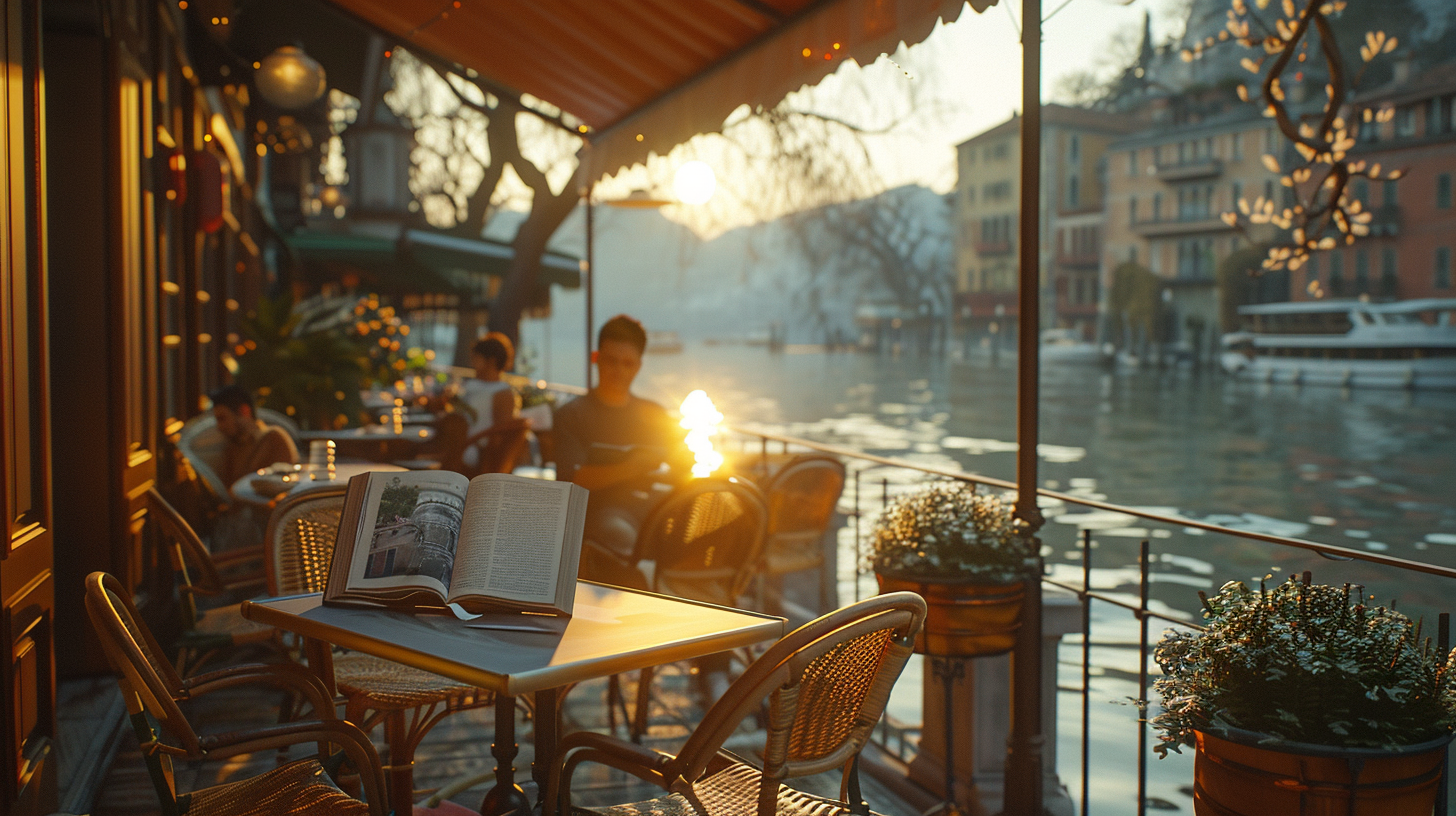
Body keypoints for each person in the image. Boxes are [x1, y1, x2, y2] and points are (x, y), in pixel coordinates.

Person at [553, 315, 688, 569]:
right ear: (596, 359)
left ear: (638, 366)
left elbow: (680, 468)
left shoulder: (654, 414)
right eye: (611, 361)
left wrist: (683, 462)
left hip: (653, 509)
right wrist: (636, 467)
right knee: (620, 532)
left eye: (627, 364)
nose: (619, 371)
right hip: (601, 516)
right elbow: (571, 480)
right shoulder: (572, 415)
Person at [458, 333, 522, 471]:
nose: (472, 363)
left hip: (476, 450)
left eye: (476, 358)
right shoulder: (472, 385)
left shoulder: (502, 392)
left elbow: (501, 432)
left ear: (491, 361)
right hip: (462, 443)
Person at [211, 385, 299, 485]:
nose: (219, 427)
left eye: (222, 418)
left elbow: (282, 486)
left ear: (244, 411)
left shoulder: (274, 439)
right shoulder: (231, 448)